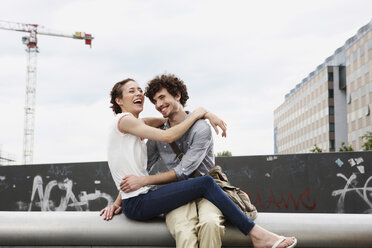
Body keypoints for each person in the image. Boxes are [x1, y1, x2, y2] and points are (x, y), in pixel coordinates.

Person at [100, 78, 297, 248]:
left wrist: (117, 202)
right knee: (204, 186)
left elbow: (138, 170)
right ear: (119, 100)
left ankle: (260, 236)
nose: (139, 94)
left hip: (138, 198)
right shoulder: (125, 120)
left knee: (209, 219)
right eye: (132, 91)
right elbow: (168, 136)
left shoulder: (139, 124)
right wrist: (201, 111)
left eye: (140, 91)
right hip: (139, 201)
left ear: (177, 95)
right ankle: (258, 235)